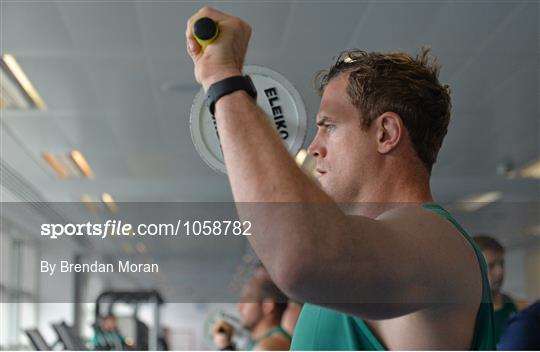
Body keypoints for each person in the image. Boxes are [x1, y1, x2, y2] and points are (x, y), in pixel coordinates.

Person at [186, 7, 495, 349]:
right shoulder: (354, 264)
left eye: (329, 127)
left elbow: (298, 257)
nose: (314, 148)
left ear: (385, 133)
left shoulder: (440, 243)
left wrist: (223, 79)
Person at [213, 268, 291, 350]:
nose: (239, 307)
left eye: (246, 300)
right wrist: (225, 344)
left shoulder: (268, 346)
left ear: (267, 306)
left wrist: (225, 346)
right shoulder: (265, 342)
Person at [473, 235, 528, 344]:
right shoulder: (465, 316)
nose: (500, 271)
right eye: (491, 265)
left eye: (501, 264)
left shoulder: (520, 309)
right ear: (474, 268)